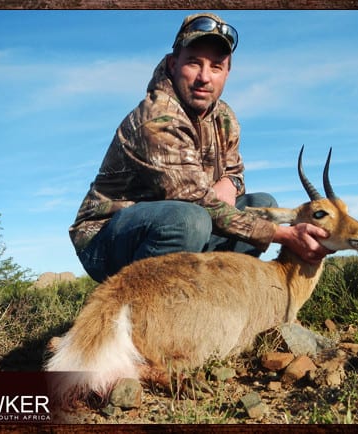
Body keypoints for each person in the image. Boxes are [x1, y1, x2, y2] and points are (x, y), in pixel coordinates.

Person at [70, 12, 331, 283]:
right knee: (190, 220)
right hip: (105, 242)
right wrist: (284, 234)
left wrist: (230, 182)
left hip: (187, 219)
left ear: (227, 73)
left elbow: (235, 172)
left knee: (261, 203)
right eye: (194, 63)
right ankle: (142, 313)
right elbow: (195, 203)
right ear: (172, 65)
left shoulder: (225, 117)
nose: (204, 77)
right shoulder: (158, 117)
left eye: (216, 66)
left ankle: (214, 302)